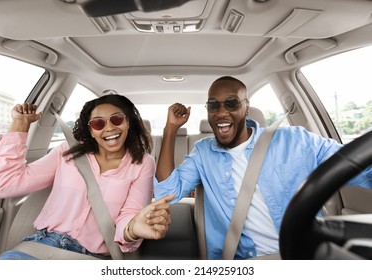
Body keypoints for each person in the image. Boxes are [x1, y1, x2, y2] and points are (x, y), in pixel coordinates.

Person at [154, 76, 372, 260]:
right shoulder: (203, 153)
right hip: (245, 262)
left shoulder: (295, 140)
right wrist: (171, 128)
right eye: (213, 105)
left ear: (246, 107)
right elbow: (167, 192)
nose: (221, 113)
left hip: (303, 255)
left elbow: (359, 169)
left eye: (231, 103)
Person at [0, 94, 174, 260]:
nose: (109, 128)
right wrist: (20, 124)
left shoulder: (143, 163)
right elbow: (3, 185)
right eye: (98, 123)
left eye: (116, 119)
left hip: (89, 257)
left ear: (128, 122)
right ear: (91, 130)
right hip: (38, 246)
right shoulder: (67, 151)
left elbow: (130, 215)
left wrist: (133, 228)